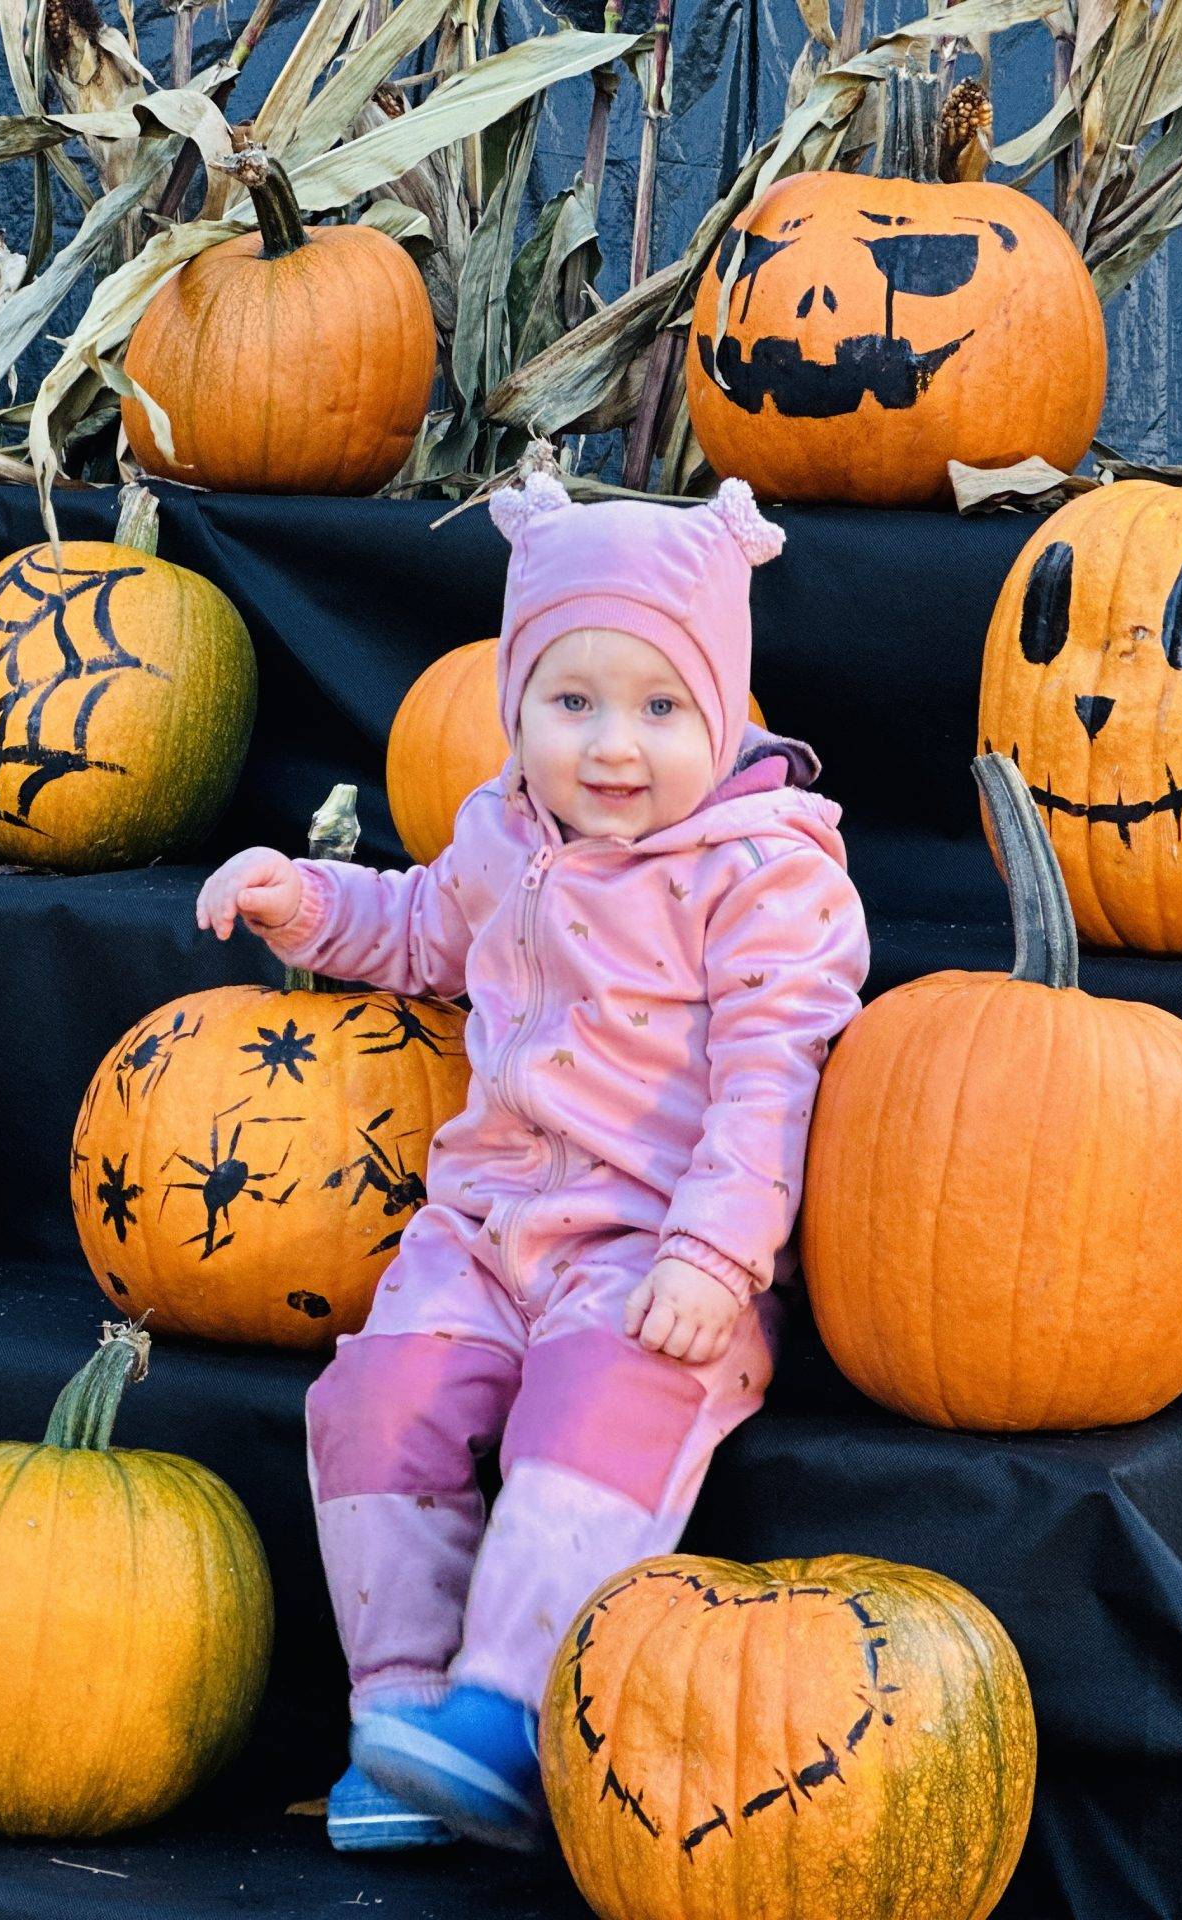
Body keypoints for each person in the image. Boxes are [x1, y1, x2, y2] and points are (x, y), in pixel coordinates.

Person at [196, 470, 870, 1853]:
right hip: (485, 1228)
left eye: (660, 707)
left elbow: (771, 1077)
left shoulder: (761, 872)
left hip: (652, 1246)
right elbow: (422, 933)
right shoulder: (508, 834)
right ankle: (402, 1720)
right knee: (378, 1401)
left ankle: (509, 1705)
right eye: (572, 703)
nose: (613, 745)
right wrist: (307, 904)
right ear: (518, 709)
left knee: (598, 1410)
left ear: (726, 708)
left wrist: (714, 1257)